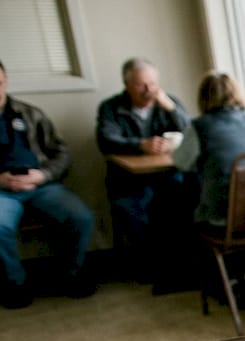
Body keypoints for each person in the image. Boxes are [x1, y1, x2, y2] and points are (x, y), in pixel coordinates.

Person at [0, 60, 96, 309]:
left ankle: (71, 275)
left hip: (40, 184)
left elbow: (61, 153)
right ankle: (15, 283)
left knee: (81, 216)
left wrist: (42, 175)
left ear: (6, 81)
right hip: (2, 191)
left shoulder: (30, 113)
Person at [95, 57, 195, 289]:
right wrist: (140, 145)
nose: (149, 90)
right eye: (141, 85)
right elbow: (106, 140)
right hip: (127, 179)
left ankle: (179, 265)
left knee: (184, 200)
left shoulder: (167, 102)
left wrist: (169, 107)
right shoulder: (111, 108)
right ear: (127, 85)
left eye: (153, 83)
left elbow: (191, 132)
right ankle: (150, 266)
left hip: (165, 175)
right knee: (133, 210)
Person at [172, 71, 245, 227]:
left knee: (181, 186)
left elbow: (180, 162)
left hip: (226, 218)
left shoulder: (200, 127)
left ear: (203, 97)